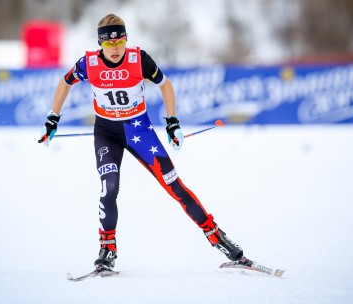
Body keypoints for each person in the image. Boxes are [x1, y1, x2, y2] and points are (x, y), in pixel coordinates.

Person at [38, 13, 244, 272]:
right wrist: (53, 117)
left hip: (139, 131)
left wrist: (172, 123)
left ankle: (218, 238)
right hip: (106, 133)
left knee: (175, 187)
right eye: (109, 44)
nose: (115, 49)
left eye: (120, 42)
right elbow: (64, 83)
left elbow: (166, 86)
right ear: (100, 43)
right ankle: (107, 249)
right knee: (109, 188)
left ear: (126, 39)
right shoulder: (88, 63)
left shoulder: (139, 60)